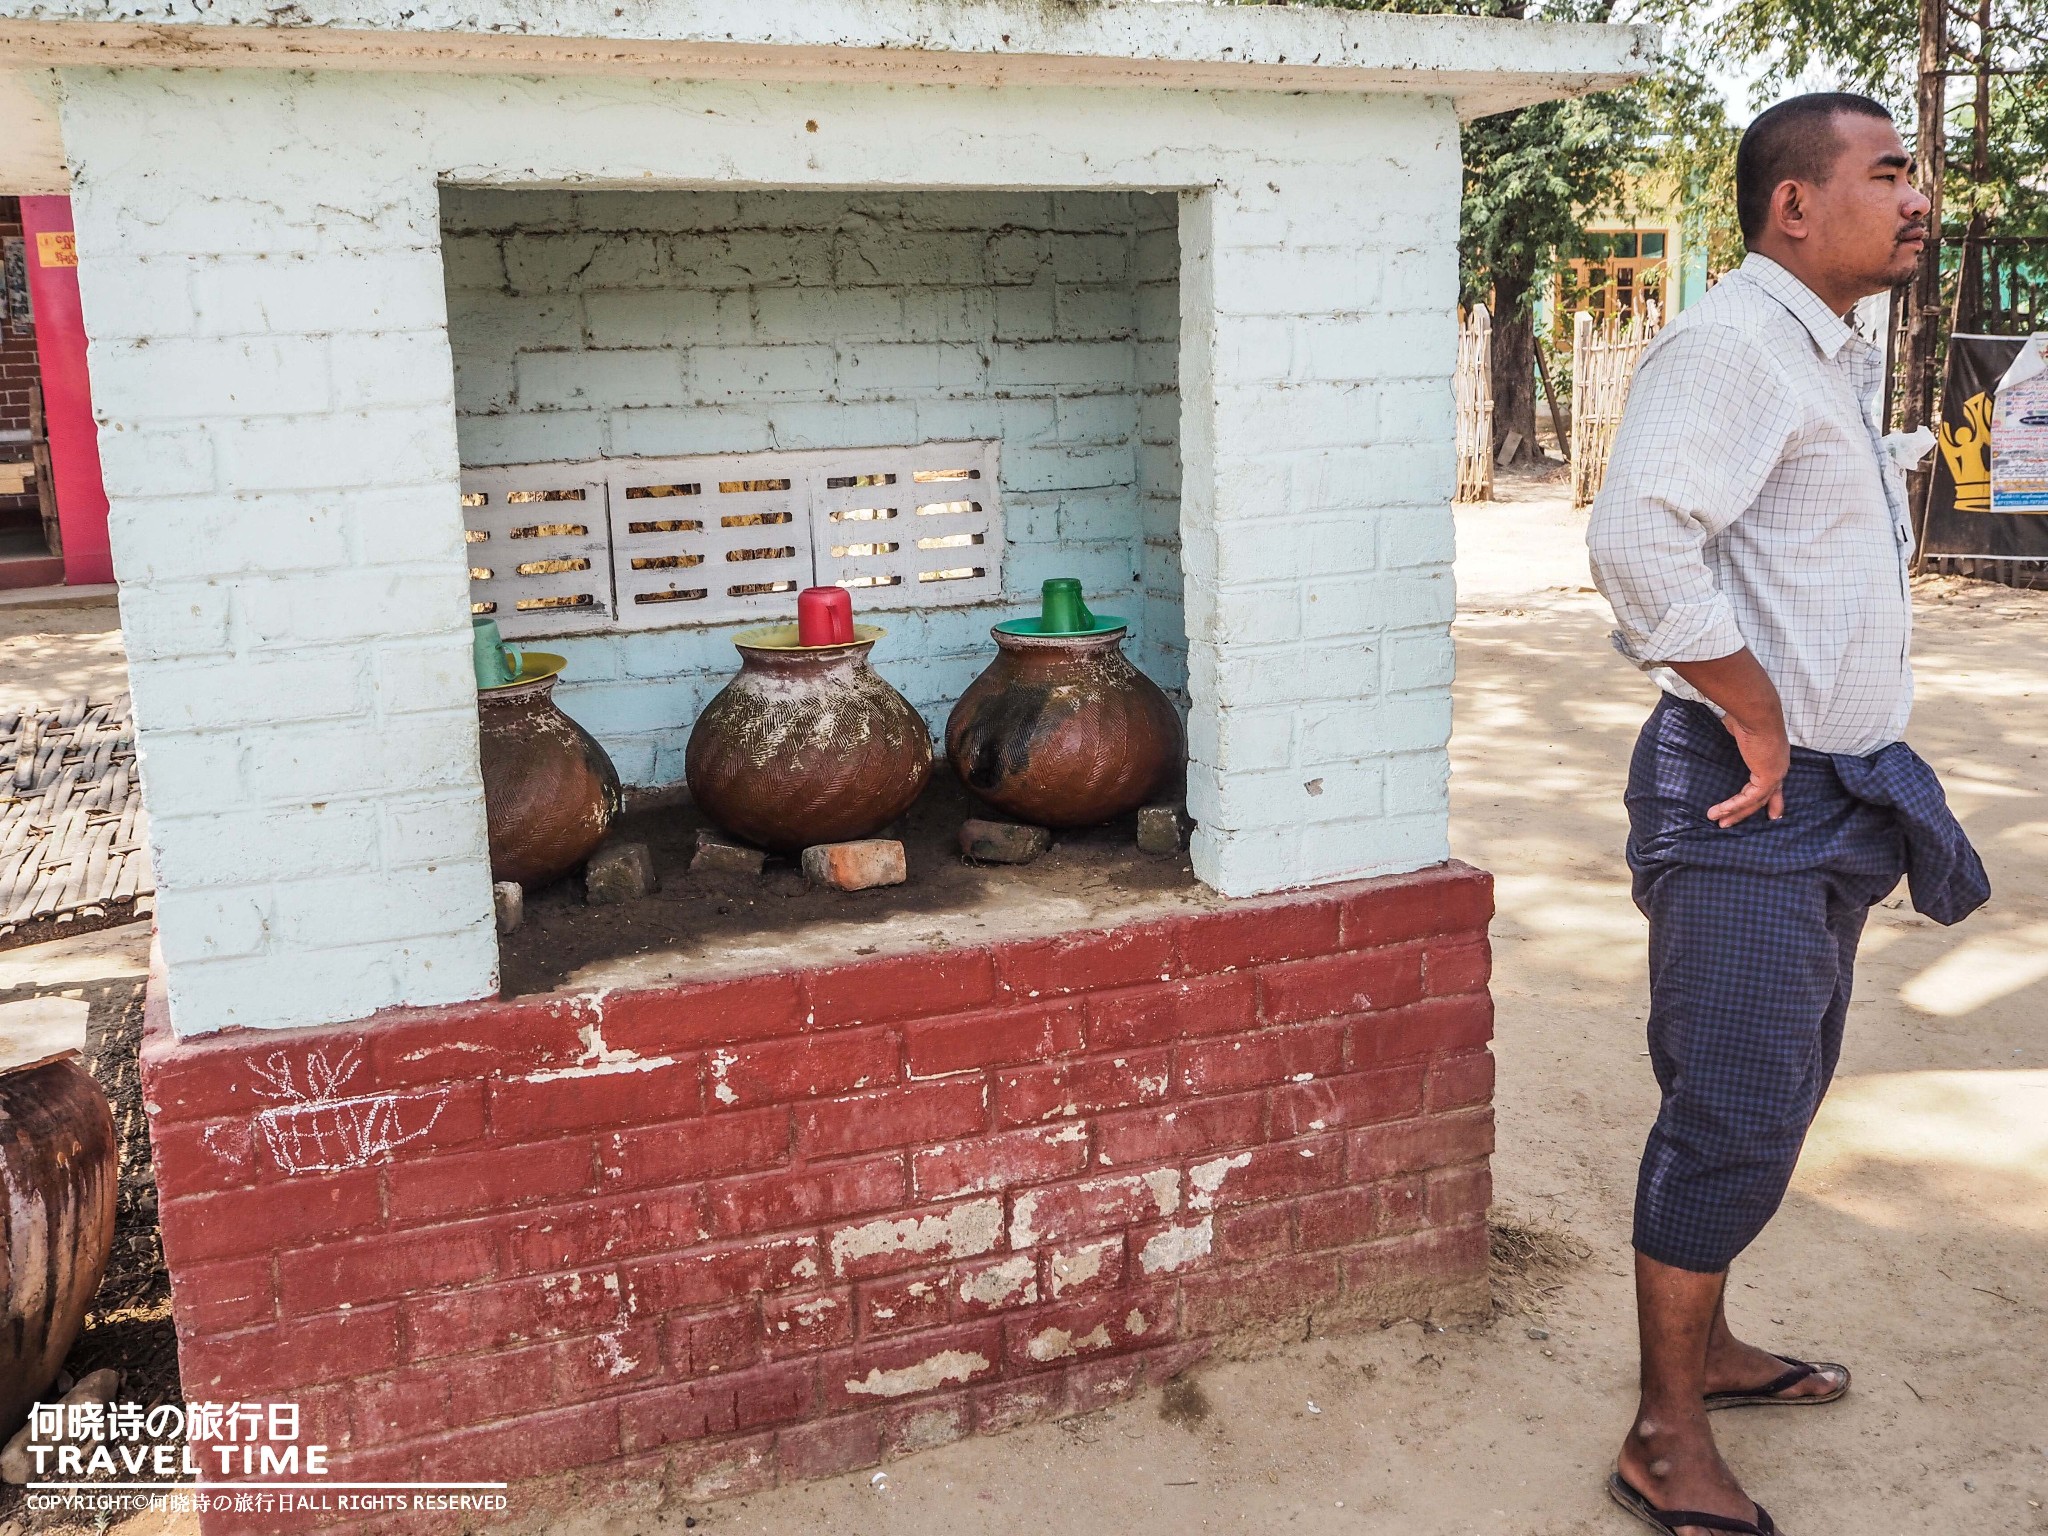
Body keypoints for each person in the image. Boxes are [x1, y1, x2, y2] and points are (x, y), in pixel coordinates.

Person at [1586, 93, 1990, 1536]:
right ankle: (1660, 1430)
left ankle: (1710, 1350)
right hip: (1747, 796)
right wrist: (1758, 706)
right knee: (1734, 1110)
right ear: (1793, 206)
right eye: (1889, 173)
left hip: (1825, 797)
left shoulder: (1824, 348)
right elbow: (1637, 538)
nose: (1919, 196)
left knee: (1774, 1095)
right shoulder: (1735, 346)